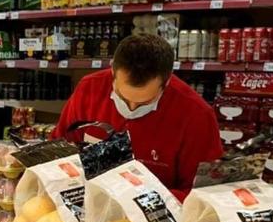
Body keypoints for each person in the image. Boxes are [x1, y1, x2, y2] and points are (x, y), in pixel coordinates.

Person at [52, 33, 223, 201]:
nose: (131, 108)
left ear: (167, 82)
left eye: (145, 102)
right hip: (87, 204)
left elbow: (202, 194)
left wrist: (140, 200)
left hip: (159, 212)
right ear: (112, 71)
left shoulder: (197, 115)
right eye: (122, 97)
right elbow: (59, 151)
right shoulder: (89, 88)